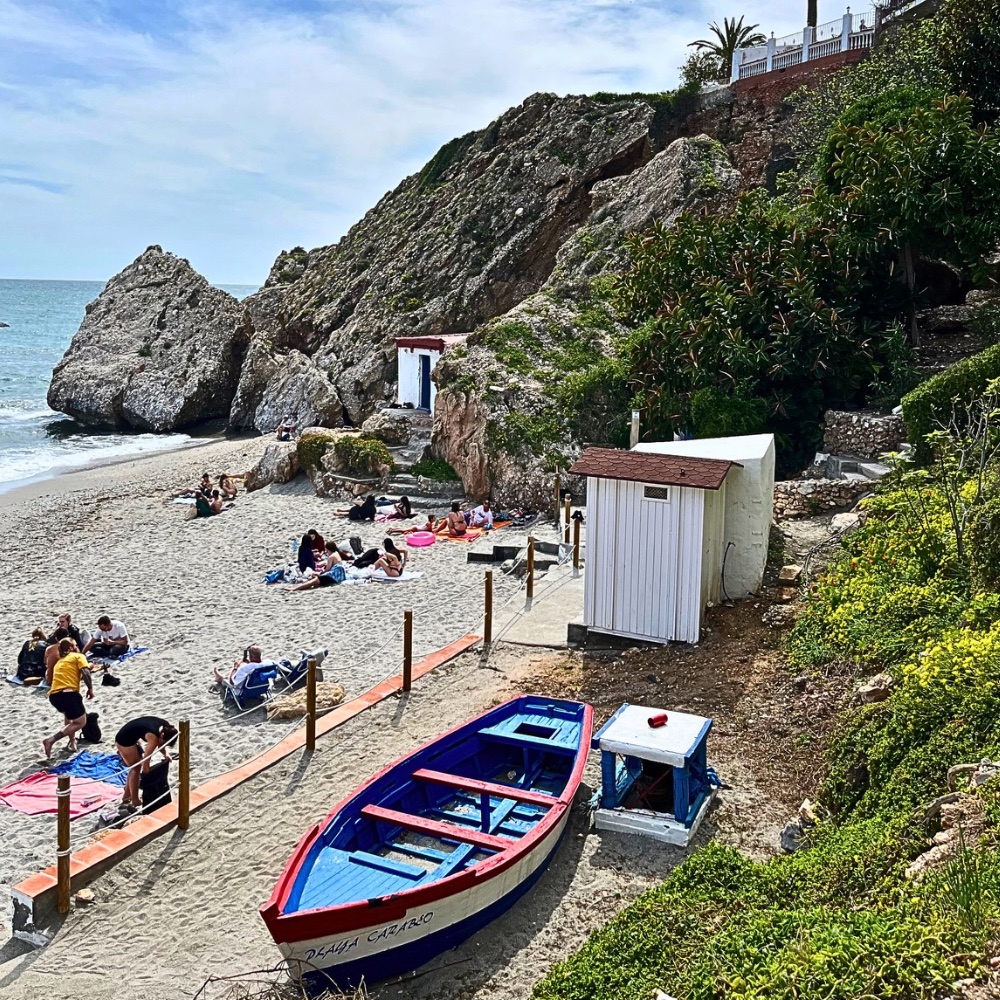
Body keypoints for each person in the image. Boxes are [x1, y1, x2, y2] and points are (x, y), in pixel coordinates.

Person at [42, 638, 94, 757]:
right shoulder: (78, 656)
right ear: (70, 647)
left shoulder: (60, 662)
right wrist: (90, 689)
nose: (77, 646)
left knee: (69, 717)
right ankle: (51, 740)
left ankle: (72, 742)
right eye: (75, 645)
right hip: (69, 694)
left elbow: (70, 676)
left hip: (54, 696)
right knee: (80, 722)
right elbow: (85, 672)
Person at [114, 717, 178, 810]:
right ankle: (135, 799)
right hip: (123, 740)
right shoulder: (154, 738)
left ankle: (127, 795)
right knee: (135, 768)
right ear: (162, 735)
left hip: (133, 736)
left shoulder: (166, 727)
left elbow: (161, 743)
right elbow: (146, 760)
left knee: (136, 766)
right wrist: (146, 773)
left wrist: (165, 754)